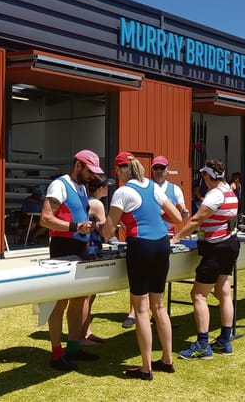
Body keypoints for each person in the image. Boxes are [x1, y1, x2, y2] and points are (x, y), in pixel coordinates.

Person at [101, 151, 181, 380]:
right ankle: (167, 360)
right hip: (161, 245)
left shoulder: (122, 192)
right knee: (159, 307)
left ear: (121, 170)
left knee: (142, 309)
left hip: (141, 247)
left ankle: (146, 368)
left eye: (116, 170)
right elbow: (176, 217)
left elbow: (108, 231)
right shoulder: (154, 186)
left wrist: (101, 224)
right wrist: (155, 218)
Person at [39, 149, 104, 371]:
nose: (92, 176)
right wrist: (75, 227)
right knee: (60, 302)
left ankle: (74, 347)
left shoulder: (82, 187)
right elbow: (46, 219)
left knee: (79, 298)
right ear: (78, 165)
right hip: (62, 248)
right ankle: (57, 354)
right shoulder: (59, 185)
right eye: (89, 170)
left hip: (80, 247)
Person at [171, 159, 240, 359]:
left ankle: (202, 344)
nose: (203, 180)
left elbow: (196, 219)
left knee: (198, 295)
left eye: (204, 176)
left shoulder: (215, 194)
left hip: (216, 249)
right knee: (224, 292)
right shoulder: (230, 192)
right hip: (230, 245)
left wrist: (177, 238)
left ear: (209, 176)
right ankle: (224, 341)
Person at [122, 155, 190, 330]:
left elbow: (180, 212)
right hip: (145, 237)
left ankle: (154, 313)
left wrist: (182, 211)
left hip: (164, 236)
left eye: (162, 168)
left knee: (154, 285)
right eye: (156, 168)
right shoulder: (144, 185)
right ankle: (133, 312)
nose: (159, 171)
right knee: (140, 282)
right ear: (151, 170)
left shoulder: (174, 189)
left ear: (167, 170)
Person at [79, 177, 110, 347]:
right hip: (91, 250)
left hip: (87, 249)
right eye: (106, 187)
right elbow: (106, 232)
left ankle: (85, 331)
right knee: (87, 296)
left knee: (86, 296)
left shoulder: (87, 201)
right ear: (101, 188)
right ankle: (82, 335)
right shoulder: (97, 204)